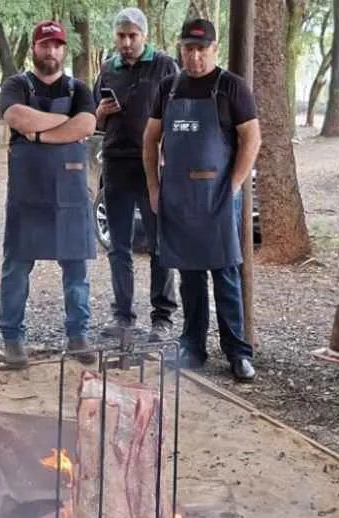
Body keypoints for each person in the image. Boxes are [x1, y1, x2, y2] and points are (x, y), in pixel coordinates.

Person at [143, 18, 259, 382]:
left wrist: (235, 184)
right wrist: (154, 188)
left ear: (214, 49)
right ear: (181, 50)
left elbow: (251, 138)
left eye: (202, 49)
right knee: (189, 276)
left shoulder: (231, 87)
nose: (195, 57)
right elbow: (150, 140)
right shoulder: (169, 88)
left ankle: (238, 352)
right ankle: (192, 346)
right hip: (178, 197)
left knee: (225, 274)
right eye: (189, 49)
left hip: (217, 195)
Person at [0, 20, 98, 368]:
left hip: (71, 195)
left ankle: (78, 335)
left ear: (64, 50)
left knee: (76, 271)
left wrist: (39, 134)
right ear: (34, 49)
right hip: (28, 193)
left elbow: (88, 124)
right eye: (44, 45)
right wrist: (66, 124)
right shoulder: (16, 85)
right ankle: (12, 338)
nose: (50, 51)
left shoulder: (79, 88)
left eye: (56, 45)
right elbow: (16, 116)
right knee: (16, 268)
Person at [94, 8, 179, 342]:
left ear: (144, 35)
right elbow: (93, 122)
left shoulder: (164, 66)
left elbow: (178, 112)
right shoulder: (107, 69)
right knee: (118, 246)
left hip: (152, 166)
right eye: (121, 36)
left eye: (133, 36)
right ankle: (123, 315)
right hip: (116, 162)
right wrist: (100, 112)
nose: (127, 42)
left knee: (159, 244)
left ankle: (162, 317)